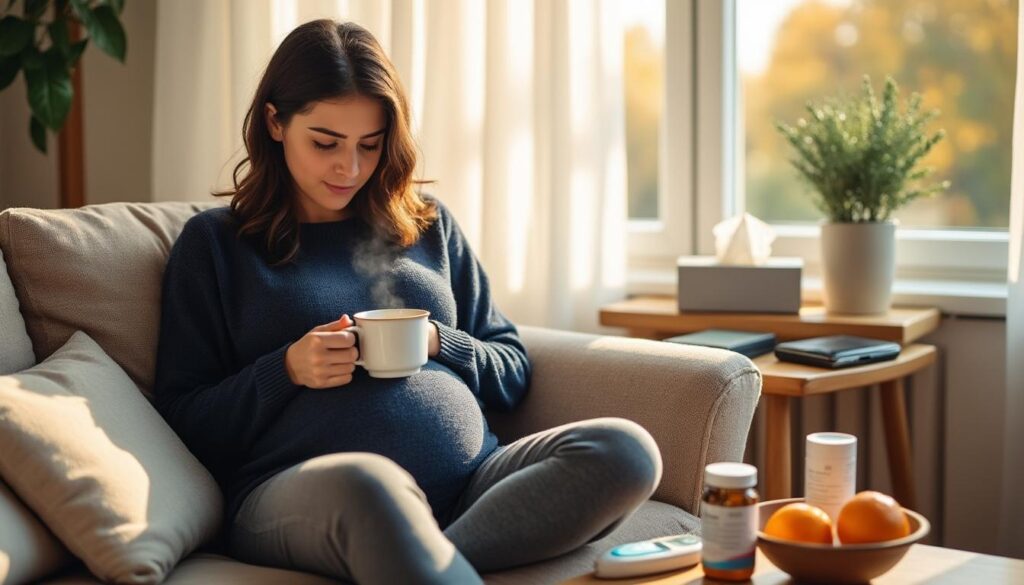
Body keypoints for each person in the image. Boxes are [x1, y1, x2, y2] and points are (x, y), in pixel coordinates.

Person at [154, 19, 662, 585]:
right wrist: (287, 370)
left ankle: (421, 557)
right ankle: (409, 551)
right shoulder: (217, 246)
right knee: (372, 483)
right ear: (275, 122)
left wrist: (442, 342)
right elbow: (183, 418)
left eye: (369, 146)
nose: (349, 167)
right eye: (325, 143)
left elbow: (512, 367)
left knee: (626, 450)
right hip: (302, 492)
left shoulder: (426, 226)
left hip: (472, 485)